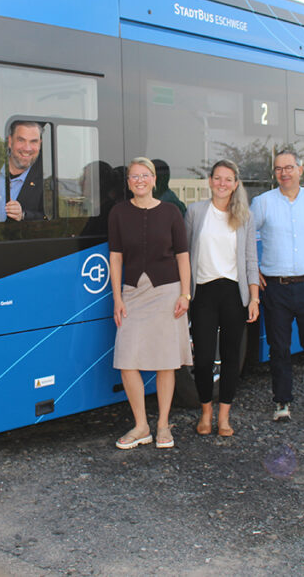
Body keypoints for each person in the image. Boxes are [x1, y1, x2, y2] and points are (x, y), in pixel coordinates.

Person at [108, 157, 192, 449]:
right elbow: (115, 257)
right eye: (134, 176)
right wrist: (117, 297)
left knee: (166, 362)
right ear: (128, 182)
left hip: (167, 293)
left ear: (155, 180)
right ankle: (141, 425)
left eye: (145, 175)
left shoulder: (170, 212)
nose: (139, 180)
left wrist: (185, 294)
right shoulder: (118, 213)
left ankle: (162, 425)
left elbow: (183, 255)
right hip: (132, 293)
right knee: (127, 360)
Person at [251, 150, 304, 426]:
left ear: (300, 169)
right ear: (274, 173)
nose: (284, 173)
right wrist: (254, 270)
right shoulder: (262, 203)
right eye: (278, 169)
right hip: (275, 288)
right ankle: (282, 401)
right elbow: (246, 237)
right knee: (279, 348)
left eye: (289, 167)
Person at [185, 159, 260, 437]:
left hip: (233, 294)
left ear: (236, 184)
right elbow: (185, 256)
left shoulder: (245, 216)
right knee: (203, 359)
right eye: (218, 178)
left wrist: (254, 298)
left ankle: (224, 416)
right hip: (203, 292)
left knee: (230, 358)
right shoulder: (195, 212)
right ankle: (206, 413)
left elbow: (251, 260)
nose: (222, 184)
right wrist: (184, 292)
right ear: (210, 181)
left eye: (228, 179)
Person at [0, 120, 44, 222]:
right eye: (21, 140)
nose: (27, 148)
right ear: (10, 141)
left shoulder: (45, 182)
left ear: (40, 144)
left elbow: (50, 221)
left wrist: (23, 215)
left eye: (33, 141)